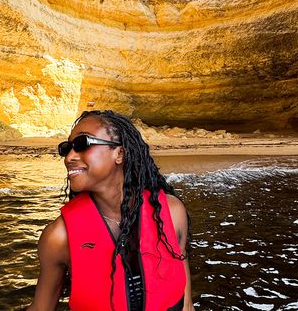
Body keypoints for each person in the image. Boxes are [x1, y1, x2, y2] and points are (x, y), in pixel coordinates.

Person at [27, 110, 195, 311]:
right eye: (66, 148)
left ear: (120, 154)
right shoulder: (58, 237)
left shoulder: (172, 212)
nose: (69, 157)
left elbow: (186, 305)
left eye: (82, 145)